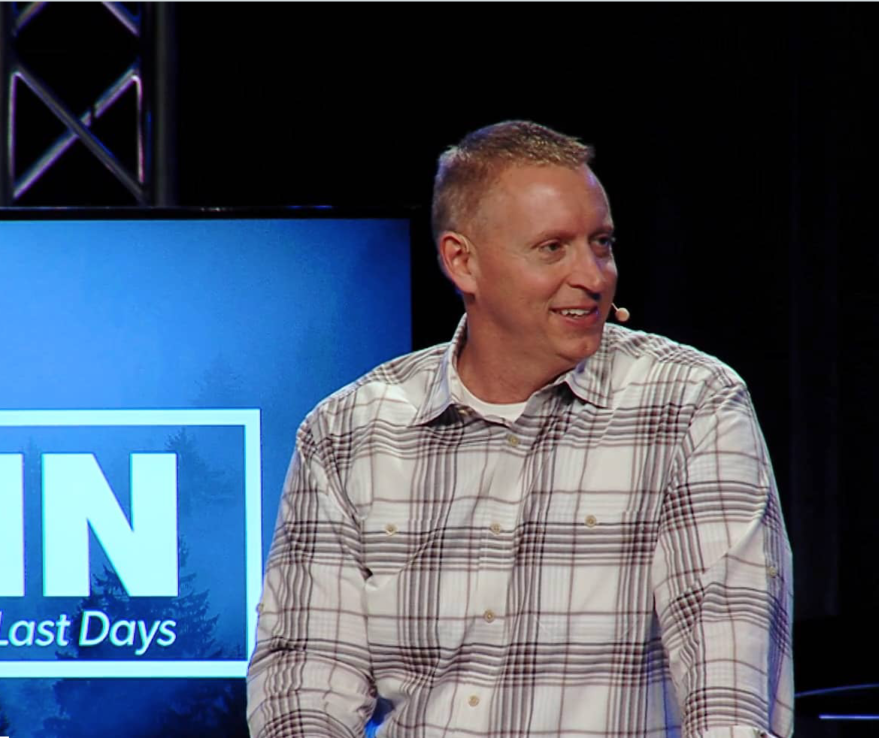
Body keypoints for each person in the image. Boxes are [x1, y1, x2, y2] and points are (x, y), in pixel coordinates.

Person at [247, 120, 794, 738]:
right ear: (462, 261)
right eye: (553, 247)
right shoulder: (349, 431)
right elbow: (304, 680)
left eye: (602, 243)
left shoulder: (691, 405)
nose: (594, 276)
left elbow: (731, 689)